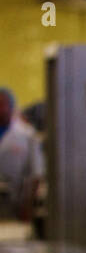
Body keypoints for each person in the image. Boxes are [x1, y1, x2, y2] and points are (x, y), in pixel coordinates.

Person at [0, 87, 45, 224]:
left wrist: (27, 208)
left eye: (2, 104)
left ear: (11, 106)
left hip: (16, 203)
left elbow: (36, 174)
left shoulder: (27, 134)